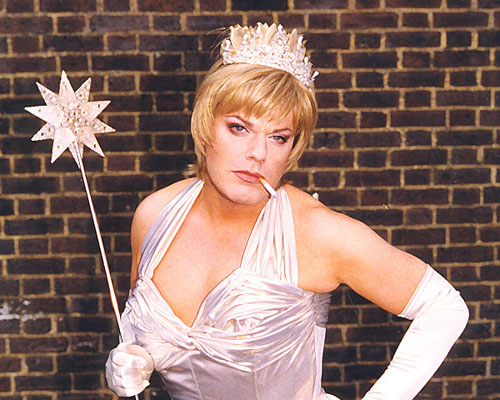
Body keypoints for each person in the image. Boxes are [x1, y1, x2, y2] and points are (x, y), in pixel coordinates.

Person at [105, 23, 469, 399]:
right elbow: (147, 335)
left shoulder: (314, 233)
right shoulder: (155, 215)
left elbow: (443, 307)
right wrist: (135, 360)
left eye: (278, 137)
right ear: (204, 126)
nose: (258, 154)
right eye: (239, 128)